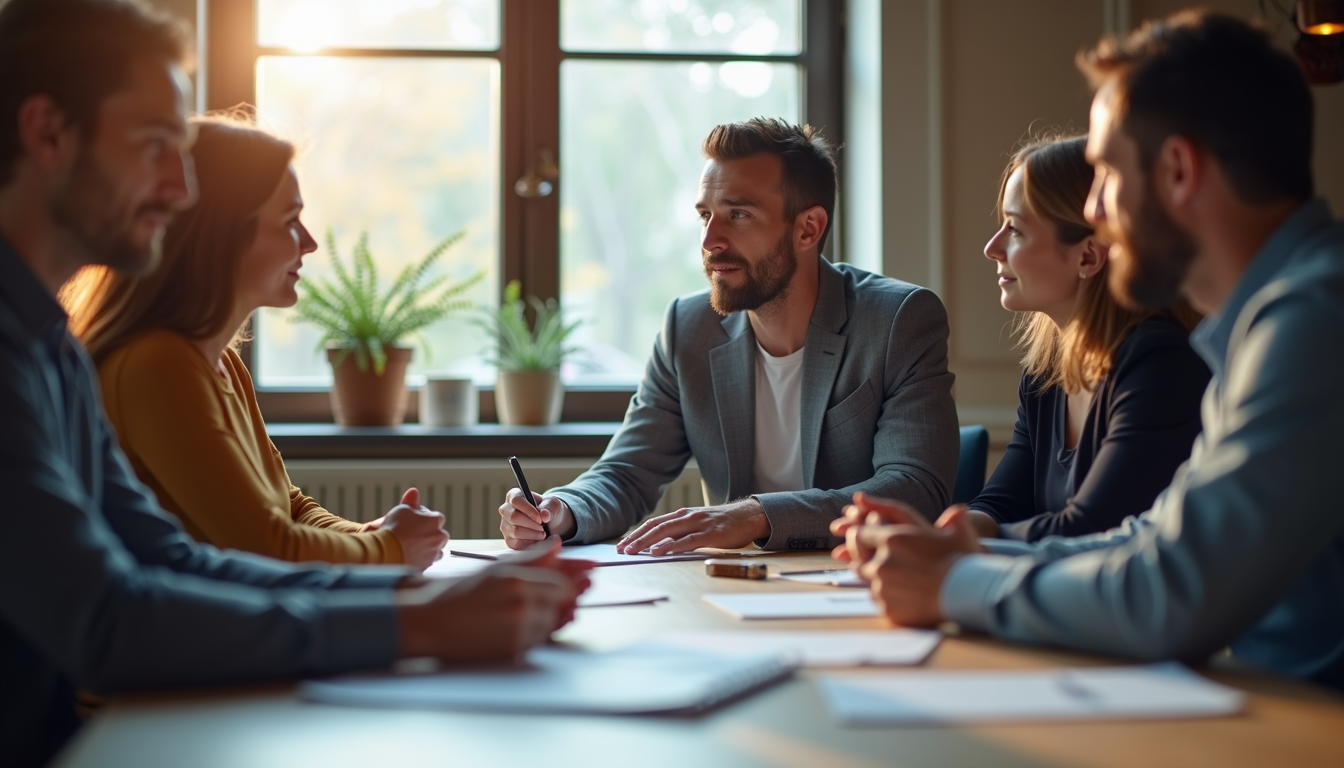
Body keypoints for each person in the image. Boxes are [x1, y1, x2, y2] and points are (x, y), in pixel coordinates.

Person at [0, 2, 585, 765]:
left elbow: (170, 558)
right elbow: (107, 619)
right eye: (154, 147)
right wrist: (417, 622)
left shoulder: (52, 349)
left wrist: (413, 596)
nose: (181, 191)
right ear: (47, 134)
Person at [835, 10, 1344, 691]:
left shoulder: (1313, 320)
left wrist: (955, 582)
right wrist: (973, 546)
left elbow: (1175, 592)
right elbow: (1156, 538)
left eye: (1104, 173)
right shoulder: (1266, 322)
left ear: (1177, 170)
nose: (1096, 212)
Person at [498, 118, 959, 555]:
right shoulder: (687, 327)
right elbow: (626, 474)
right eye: (705, 215)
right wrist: (561, 510)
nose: (709, 240)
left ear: (808, 228)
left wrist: (758, 515)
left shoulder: (898, 319)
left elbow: (914, 489)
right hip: (730, 587)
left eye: (737, 214)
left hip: (860, 588)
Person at [61, 114, 450, 571]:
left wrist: (375, 534)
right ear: (222, 234)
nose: (308, 243)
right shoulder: (157, 365)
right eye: (289, 221)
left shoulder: (218, 361)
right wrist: (390, 549)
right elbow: (265, 546)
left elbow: (290, 508)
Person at [967, 134, 1208, 541]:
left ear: (1088, 256)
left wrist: (957, 543)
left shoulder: (1160, 366)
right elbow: (999, 505)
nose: (992, 247)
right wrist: (938, 532)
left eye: (1016, 230)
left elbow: (1092, 529)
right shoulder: (1045, 373)